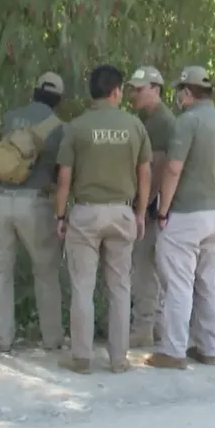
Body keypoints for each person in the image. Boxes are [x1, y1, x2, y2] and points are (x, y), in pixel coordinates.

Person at [53, 65, 153, 374]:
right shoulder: (134, 126)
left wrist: (60, 215)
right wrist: (140, 213)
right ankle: (119, 358)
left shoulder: (76, 128)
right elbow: (145, 173)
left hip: (85, 212)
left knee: (82, 286)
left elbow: (64, 179)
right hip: (122, 212)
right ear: (116, 92)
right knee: (119, 287)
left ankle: (81, 357)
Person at [144, 66, 215, 370]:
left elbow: (173, 169)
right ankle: (208, 347)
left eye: (179, 92)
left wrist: (162, 210)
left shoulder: (188, 122)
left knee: (178, 284)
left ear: (187, 93)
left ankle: (173, 350)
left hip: (185, 214)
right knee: (209, 281)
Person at [0, 71, 67, 353]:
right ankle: (52, 338)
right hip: (34, 203)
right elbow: (61, 173)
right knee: (45, 271)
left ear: (34, 91)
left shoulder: (11, 117)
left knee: (0, 271)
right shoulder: (59, 128)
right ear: (58, 99)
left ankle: (2, 339)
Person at [125, 65, 178, 348]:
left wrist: (143, 207)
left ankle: (143, 327)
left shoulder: (159, 123)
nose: (133, 93)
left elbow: (157, 169)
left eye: (139, 89)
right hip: (154, 204)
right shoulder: (147, 119)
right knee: (150, 268)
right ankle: (155, 324)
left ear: (155, 89)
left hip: (151, 204)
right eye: (132, 88)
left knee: (143, 267)